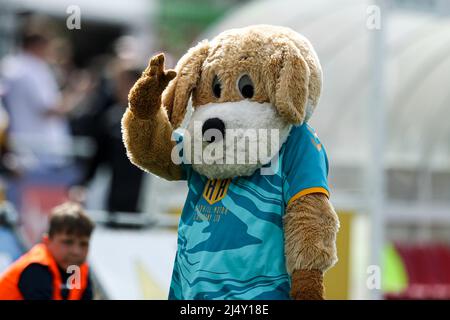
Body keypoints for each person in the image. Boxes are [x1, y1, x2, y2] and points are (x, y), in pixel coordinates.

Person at [0, 202, 95, 300]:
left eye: (83, 244)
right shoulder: (36, 268)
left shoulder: (81, 270)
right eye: (68, 242)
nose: (76, 251)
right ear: (47, 241)